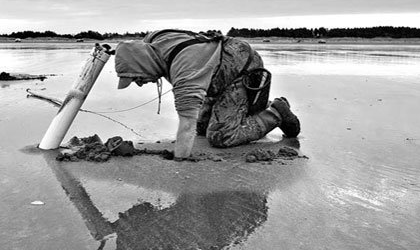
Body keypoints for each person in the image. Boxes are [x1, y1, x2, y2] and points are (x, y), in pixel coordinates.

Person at [114, 29, 300, 160]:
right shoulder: (154, 39)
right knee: (201, 127)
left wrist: (179, 162)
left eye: (137, 77)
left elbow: (186, 125)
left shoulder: (185, 73)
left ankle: (275, 113)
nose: (139, 83)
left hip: (241, 69)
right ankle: (244, 109)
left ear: (142, 65)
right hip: (212, 72)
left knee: (220, 136)